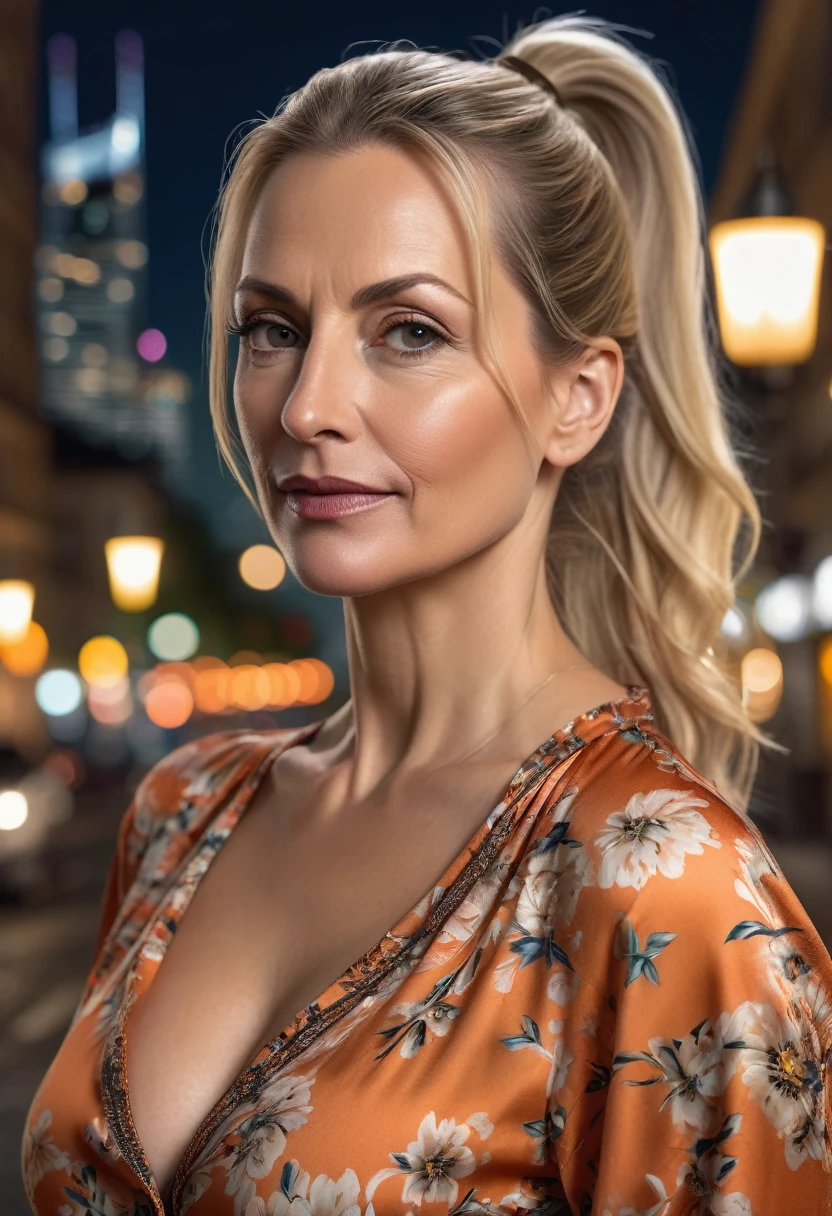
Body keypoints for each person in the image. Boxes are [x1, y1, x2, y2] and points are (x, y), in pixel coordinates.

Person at [21, 14, 832, 1216]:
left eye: (408, 332)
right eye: (273, 329)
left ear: (578, 399)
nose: (306, 405)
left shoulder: (666, 885)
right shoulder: (179, 812)